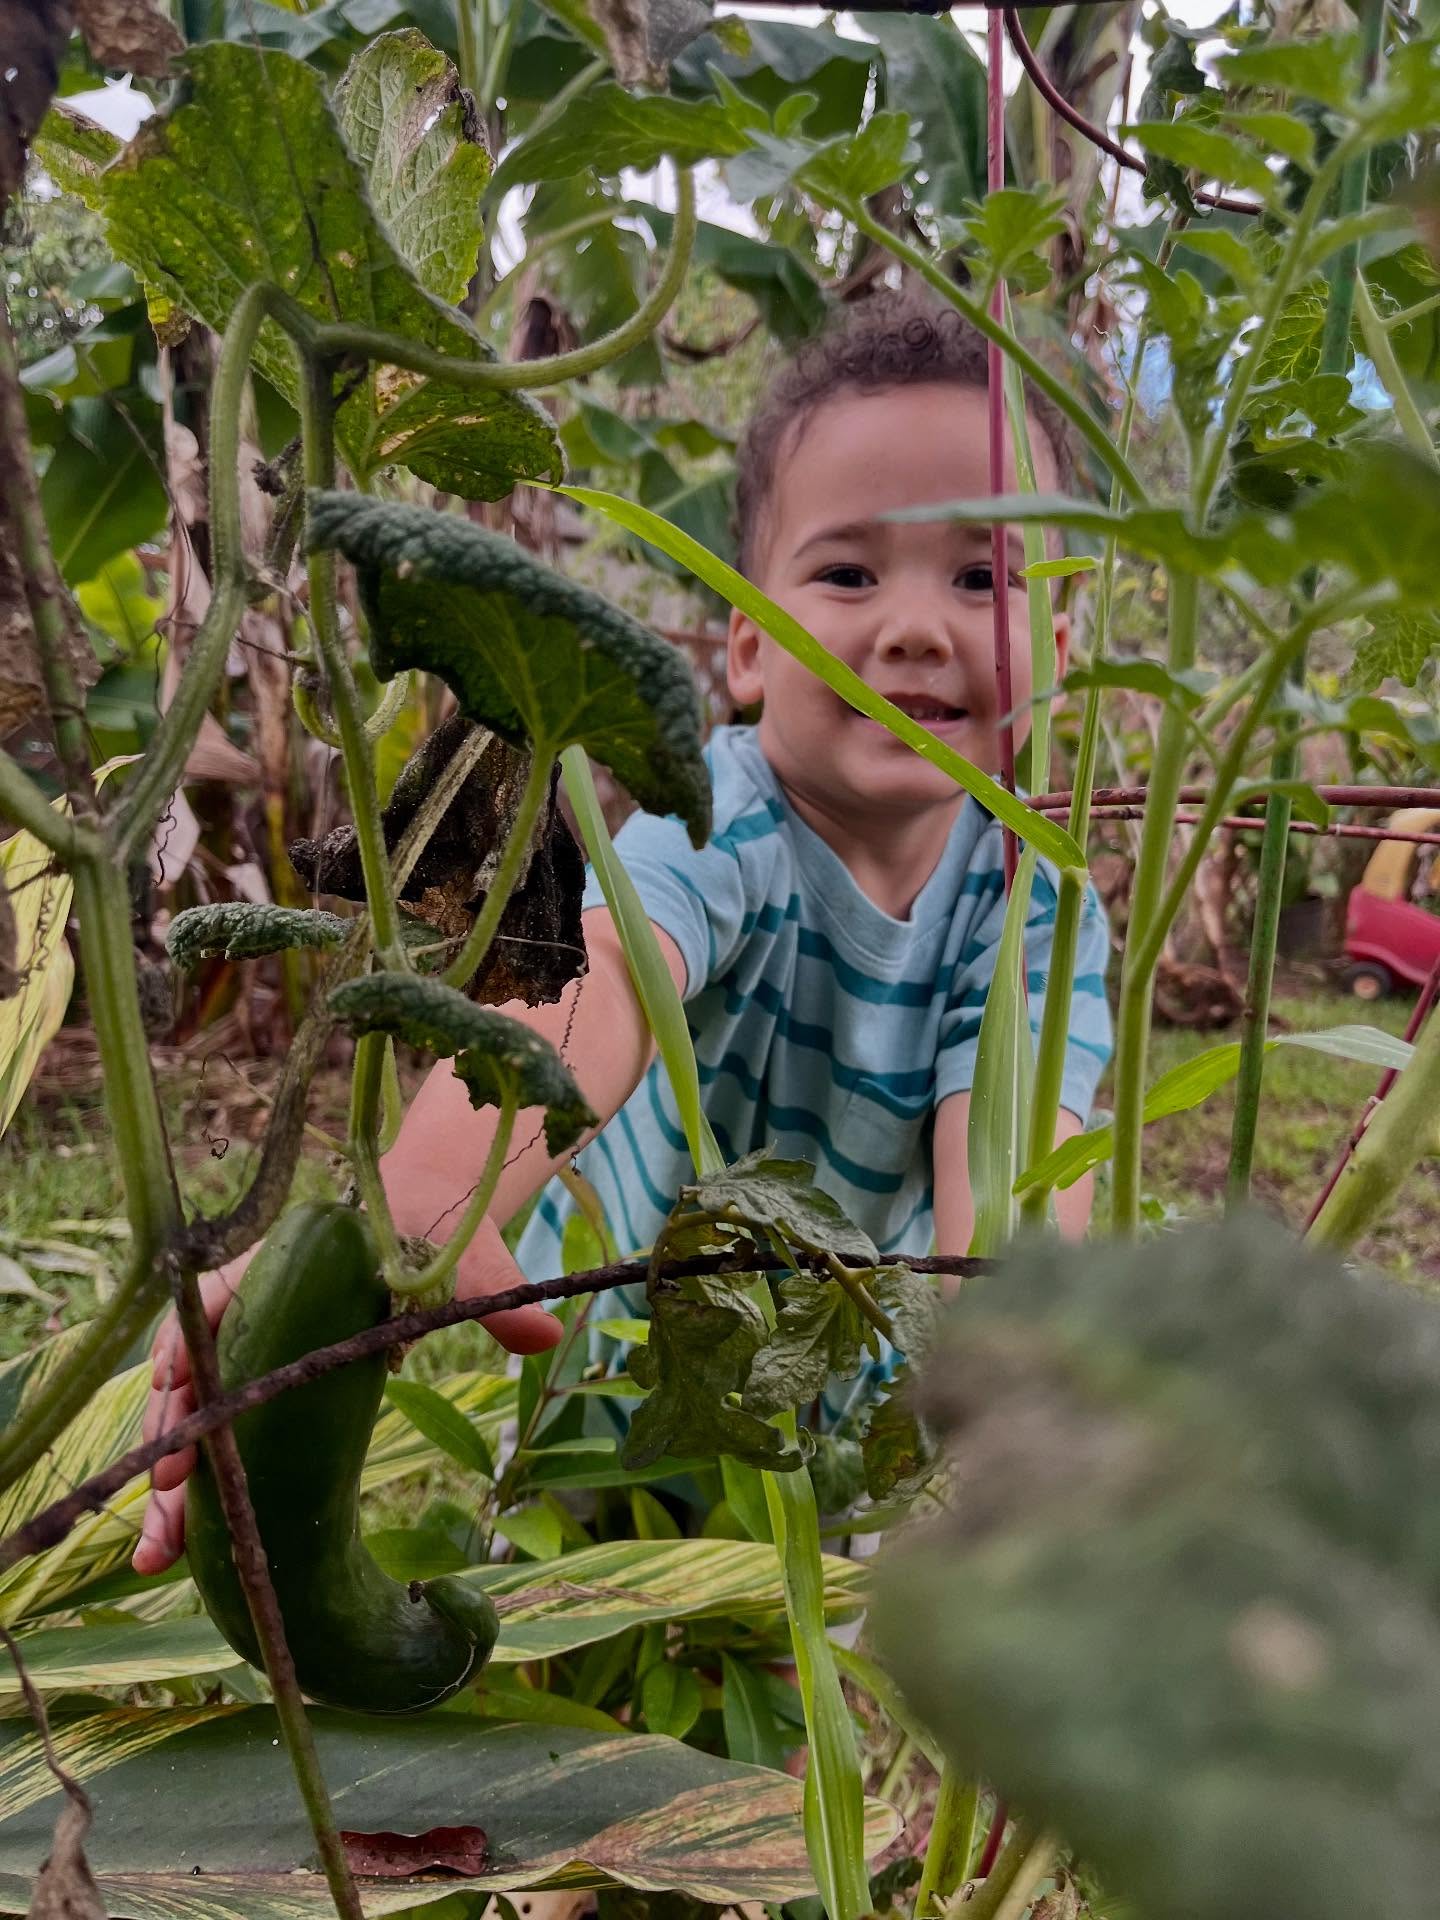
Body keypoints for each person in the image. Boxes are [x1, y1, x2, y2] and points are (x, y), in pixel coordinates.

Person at [132, 291, 1112, 1575]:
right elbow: (594, 983)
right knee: (569, 1594)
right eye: (849, 572)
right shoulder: (717, 824)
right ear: (749, 645)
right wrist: (418, 1211)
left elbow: (1012, 1170)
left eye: (985, 576)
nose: (918, 625)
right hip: (599, 1357)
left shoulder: (1036, 905)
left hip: (837, 1386)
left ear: (1064, 642)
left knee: (779, 1637)